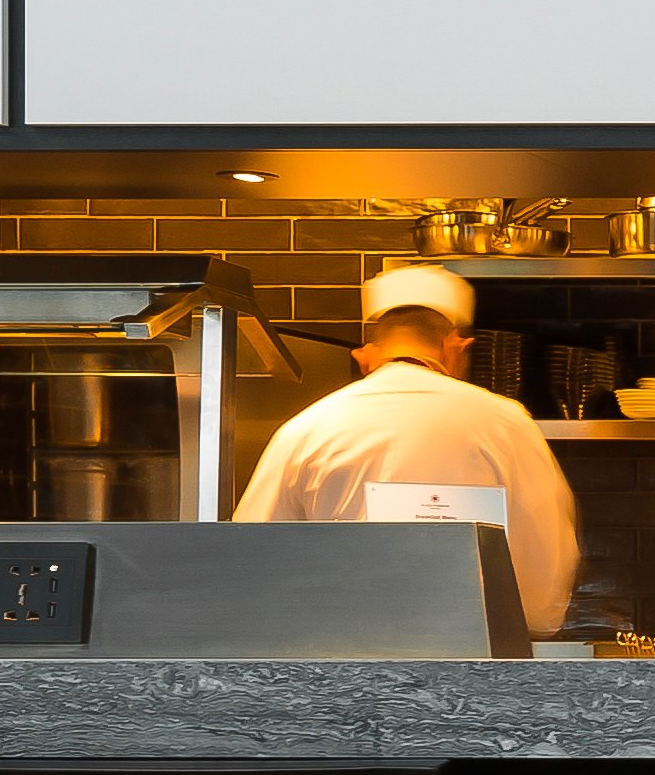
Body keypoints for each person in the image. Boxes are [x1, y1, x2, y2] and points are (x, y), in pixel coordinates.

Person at [230, 263, 582, 637]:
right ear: (456, 347)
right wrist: (534, 621)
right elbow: (546, 567)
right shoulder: (507, 424)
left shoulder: (307, 427)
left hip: (342, 663)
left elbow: (250, 562)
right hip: (473, 664)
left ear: (365, 355)